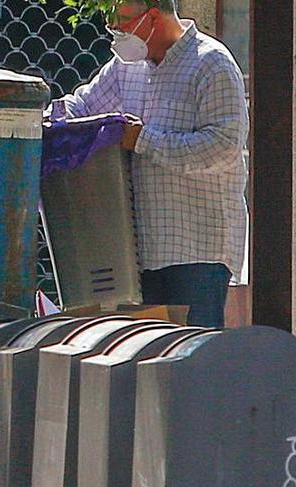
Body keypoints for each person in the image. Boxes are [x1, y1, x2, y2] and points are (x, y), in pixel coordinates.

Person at [48, 0, 249, 328]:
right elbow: (83, 106)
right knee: (144, 362)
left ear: (153, 17)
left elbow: (223, 147)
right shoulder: (125, 67)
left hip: (197, 250)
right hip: (137, 253)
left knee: (188, 359)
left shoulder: (211, 64)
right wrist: (39, 120)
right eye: (112, 25)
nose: (117, 34)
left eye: (123, 22)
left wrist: (142, 140)